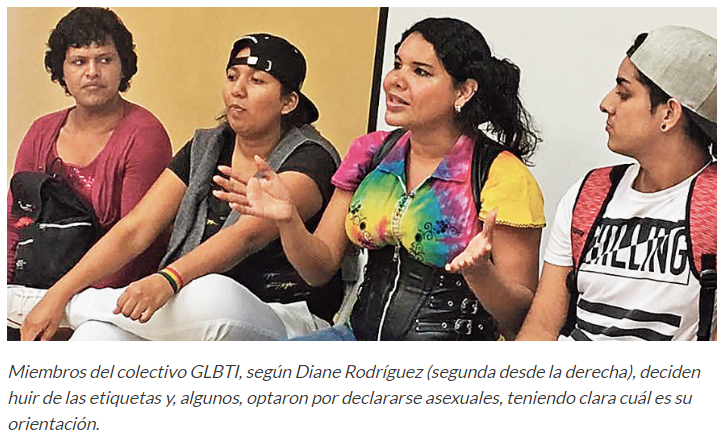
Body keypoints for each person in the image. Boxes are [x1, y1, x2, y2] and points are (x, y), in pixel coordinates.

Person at [217, 18, 545, 341]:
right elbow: (319, 269)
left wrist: (480, 273)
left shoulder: (501, 175)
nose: (395, 81)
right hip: (355, 338)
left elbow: (519, 322)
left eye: (420, 71)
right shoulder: (371, 152)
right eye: (397, 65)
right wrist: (288, 220)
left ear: (464, 91)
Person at [8, 33, 342, 341]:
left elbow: (246, 236)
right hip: (187, 307)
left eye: (257, 81)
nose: (238, 90)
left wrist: (168, 279)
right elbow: (136, 229)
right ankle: (61, 308)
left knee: (212, 293)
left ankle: (52, 306)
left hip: (281, 315)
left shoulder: (311, 157)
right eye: (232, 77)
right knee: (95, 335)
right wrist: (60, 291)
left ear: (288, 102)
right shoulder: (205, 147)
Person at [517, 26, 717, 341]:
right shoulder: (589, 193)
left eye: (624, 93)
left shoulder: (715, 207)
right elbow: (541, 327)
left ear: (669, 113)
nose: (606, 104)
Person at [6, 7, 172, 339]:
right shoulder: (41, 132)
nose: (92, 72)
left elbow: (134, 245)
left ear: (123, 66)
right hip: (34, 291)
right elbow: (15, 224)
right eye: (79, 61)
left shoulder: (145, 135)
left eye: (105, 59)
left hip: (109, 302)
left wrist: (60, 301)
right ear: (62, 70)